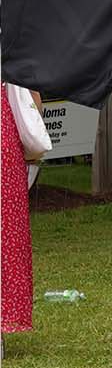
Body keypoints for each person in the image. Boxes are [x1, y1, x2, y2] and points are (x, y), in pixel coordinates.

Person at [2, 84, 44, 335]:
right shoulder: (12, 47)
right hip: (4, 139)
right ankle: (6, 312)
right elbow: (32, 97)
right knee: (7, 233)